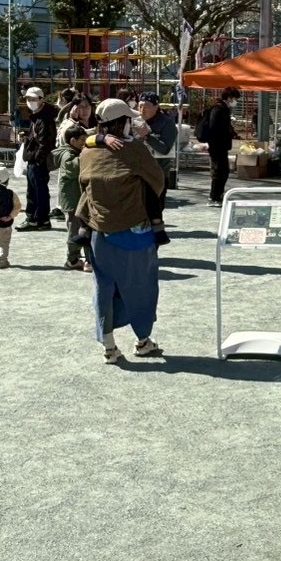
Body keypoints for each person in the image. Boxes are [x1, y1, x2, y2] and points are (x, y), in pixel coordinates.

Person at [77, 98, 168, 363]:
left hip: (98, 231)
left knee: (104, 288)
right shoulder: (135, 150)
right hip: (135, 231)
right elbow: (157, 181)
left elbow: (83, 181)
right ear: (123, 122)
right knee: (142, 286)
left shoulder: (88, 151)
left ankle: (109, 346)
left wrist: (98, 140)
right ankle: (143, 340)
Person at [17, 86, 55, 230]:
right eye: (28, 99)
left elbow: (45, 143)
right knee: (37, 191)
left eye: (33, 99)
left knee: (36, 192)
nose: (30, 101)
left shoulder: (44, 118)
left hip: (38, 161)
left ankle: (35, 219)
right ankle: (41, 220)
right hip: (36, 159)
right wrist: (27, 137)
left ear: (41, 100)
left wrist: (38, 159)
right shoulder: (38, 116)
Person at [55, 124, 89, 271]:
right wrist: (87, 153)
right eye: (82, 140)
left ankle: (80, 257)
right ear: (73, 141)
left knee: (82, 229)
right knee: (74, 230)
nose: (84, 143)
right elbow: (75, 169)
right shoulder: (67, 155)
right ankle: (72, 259)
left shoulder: (73, 152)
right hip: (72, 200)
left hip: (76, 199)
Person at [137, 92, 178, 206]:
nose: (142, 110)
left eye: (146, 106)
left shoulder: (167, 123)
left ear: (156, 107)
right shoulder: (135, 120)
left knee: (155, 208)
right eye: (140, 106)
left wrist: (147, 136)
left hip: (158, 174)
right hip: (138, 173)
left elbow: (165, 149)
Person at [200, 87, 239, 205]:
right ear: (229, 98)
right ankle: (214, 197)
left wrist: (232, 133)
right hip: (217, 146)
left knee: (223, 171)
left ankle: (218, 195)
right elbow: (214, 127)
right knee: (219, 172)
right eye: (235, 99)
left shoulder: (224, 109)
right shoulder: (218, 109)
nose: (235, 101)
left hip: (221, 146)